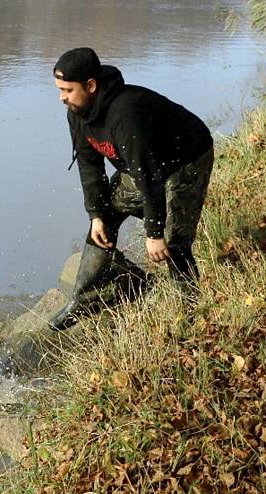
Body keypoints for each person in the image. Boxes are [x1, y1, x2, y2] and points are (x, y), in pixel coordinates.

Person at [48, 47, 214, 331]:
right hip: (141, 167)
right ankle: (84, 299)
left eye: (68, 89)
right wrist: (95, 215)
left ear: (91, 85)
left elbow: (149, 177)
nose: (62, 97)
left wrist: (154, 232)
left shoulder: (125, 114)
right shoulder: (77, 111)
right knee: (104, 222)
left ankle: (190, 312)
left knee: (173, 243)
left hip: (184, 160)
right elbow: (89, 166)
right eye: (60, 89)